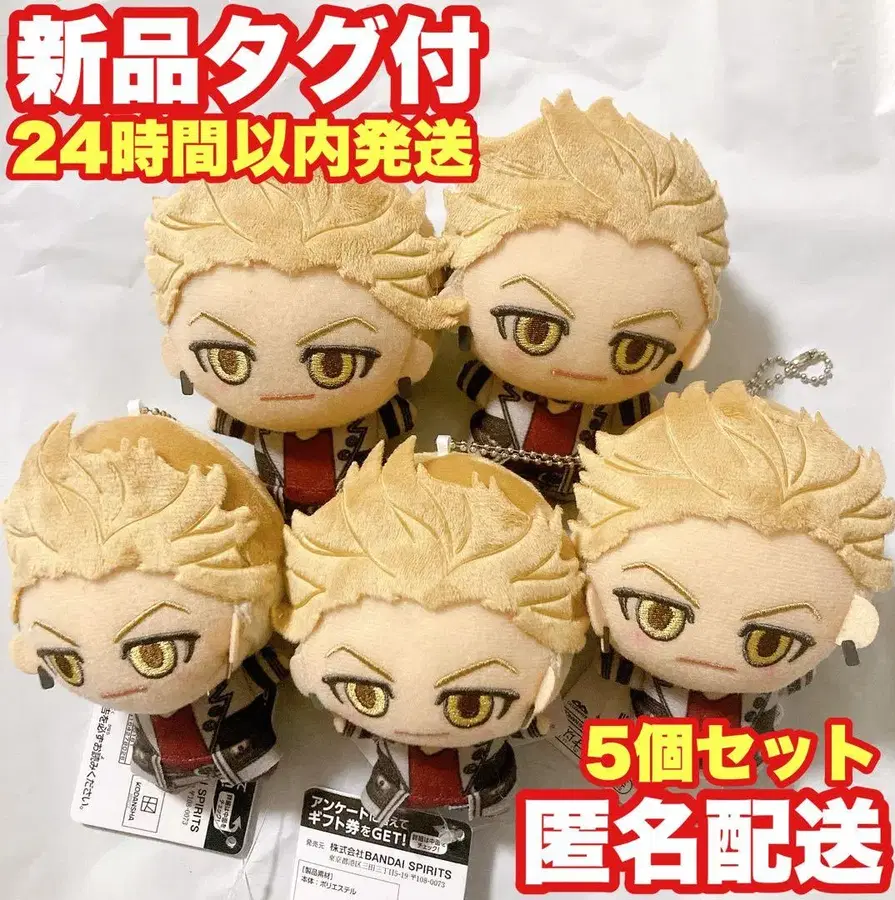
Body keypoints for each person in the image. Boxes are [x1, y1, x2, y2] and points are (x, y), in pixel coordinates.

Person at [277, 438, 588, 821]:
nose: (417, 722)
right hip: (393, 787)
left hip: (481, 785)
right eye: (365, 693)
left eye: (471, 705)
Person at [444, 92, 729, 502]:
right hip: (487, 482)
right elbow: (460, 384)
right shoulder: (487, 383)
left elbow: (642, 435)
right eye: (534, 329)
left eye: (635, 350)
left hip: (579, 494)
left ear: (691, 346)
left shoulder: (625, 409)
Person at [573, 381, 895, 732]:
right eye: (660, 616)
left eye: (769, 644)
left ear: (853, 623)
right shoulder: (625, 668)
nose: (710, 656)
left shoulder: (780, 685)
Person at [145, 175, 459, 520]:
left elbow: (405, 423)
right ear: (175, 355)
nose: (281, 388)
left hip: (362, 517)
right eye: (229, 360)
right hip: (274, 509)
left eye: (334, 363)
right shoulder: (245, 423)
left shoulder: (383, 419)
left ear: (414, 358)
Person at [4, 413, 286, 790]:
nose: (110, 686)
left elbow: (276, 665)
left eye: (155, 654)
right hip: (154, 760)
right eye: (65, 663)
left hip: (238, 750)